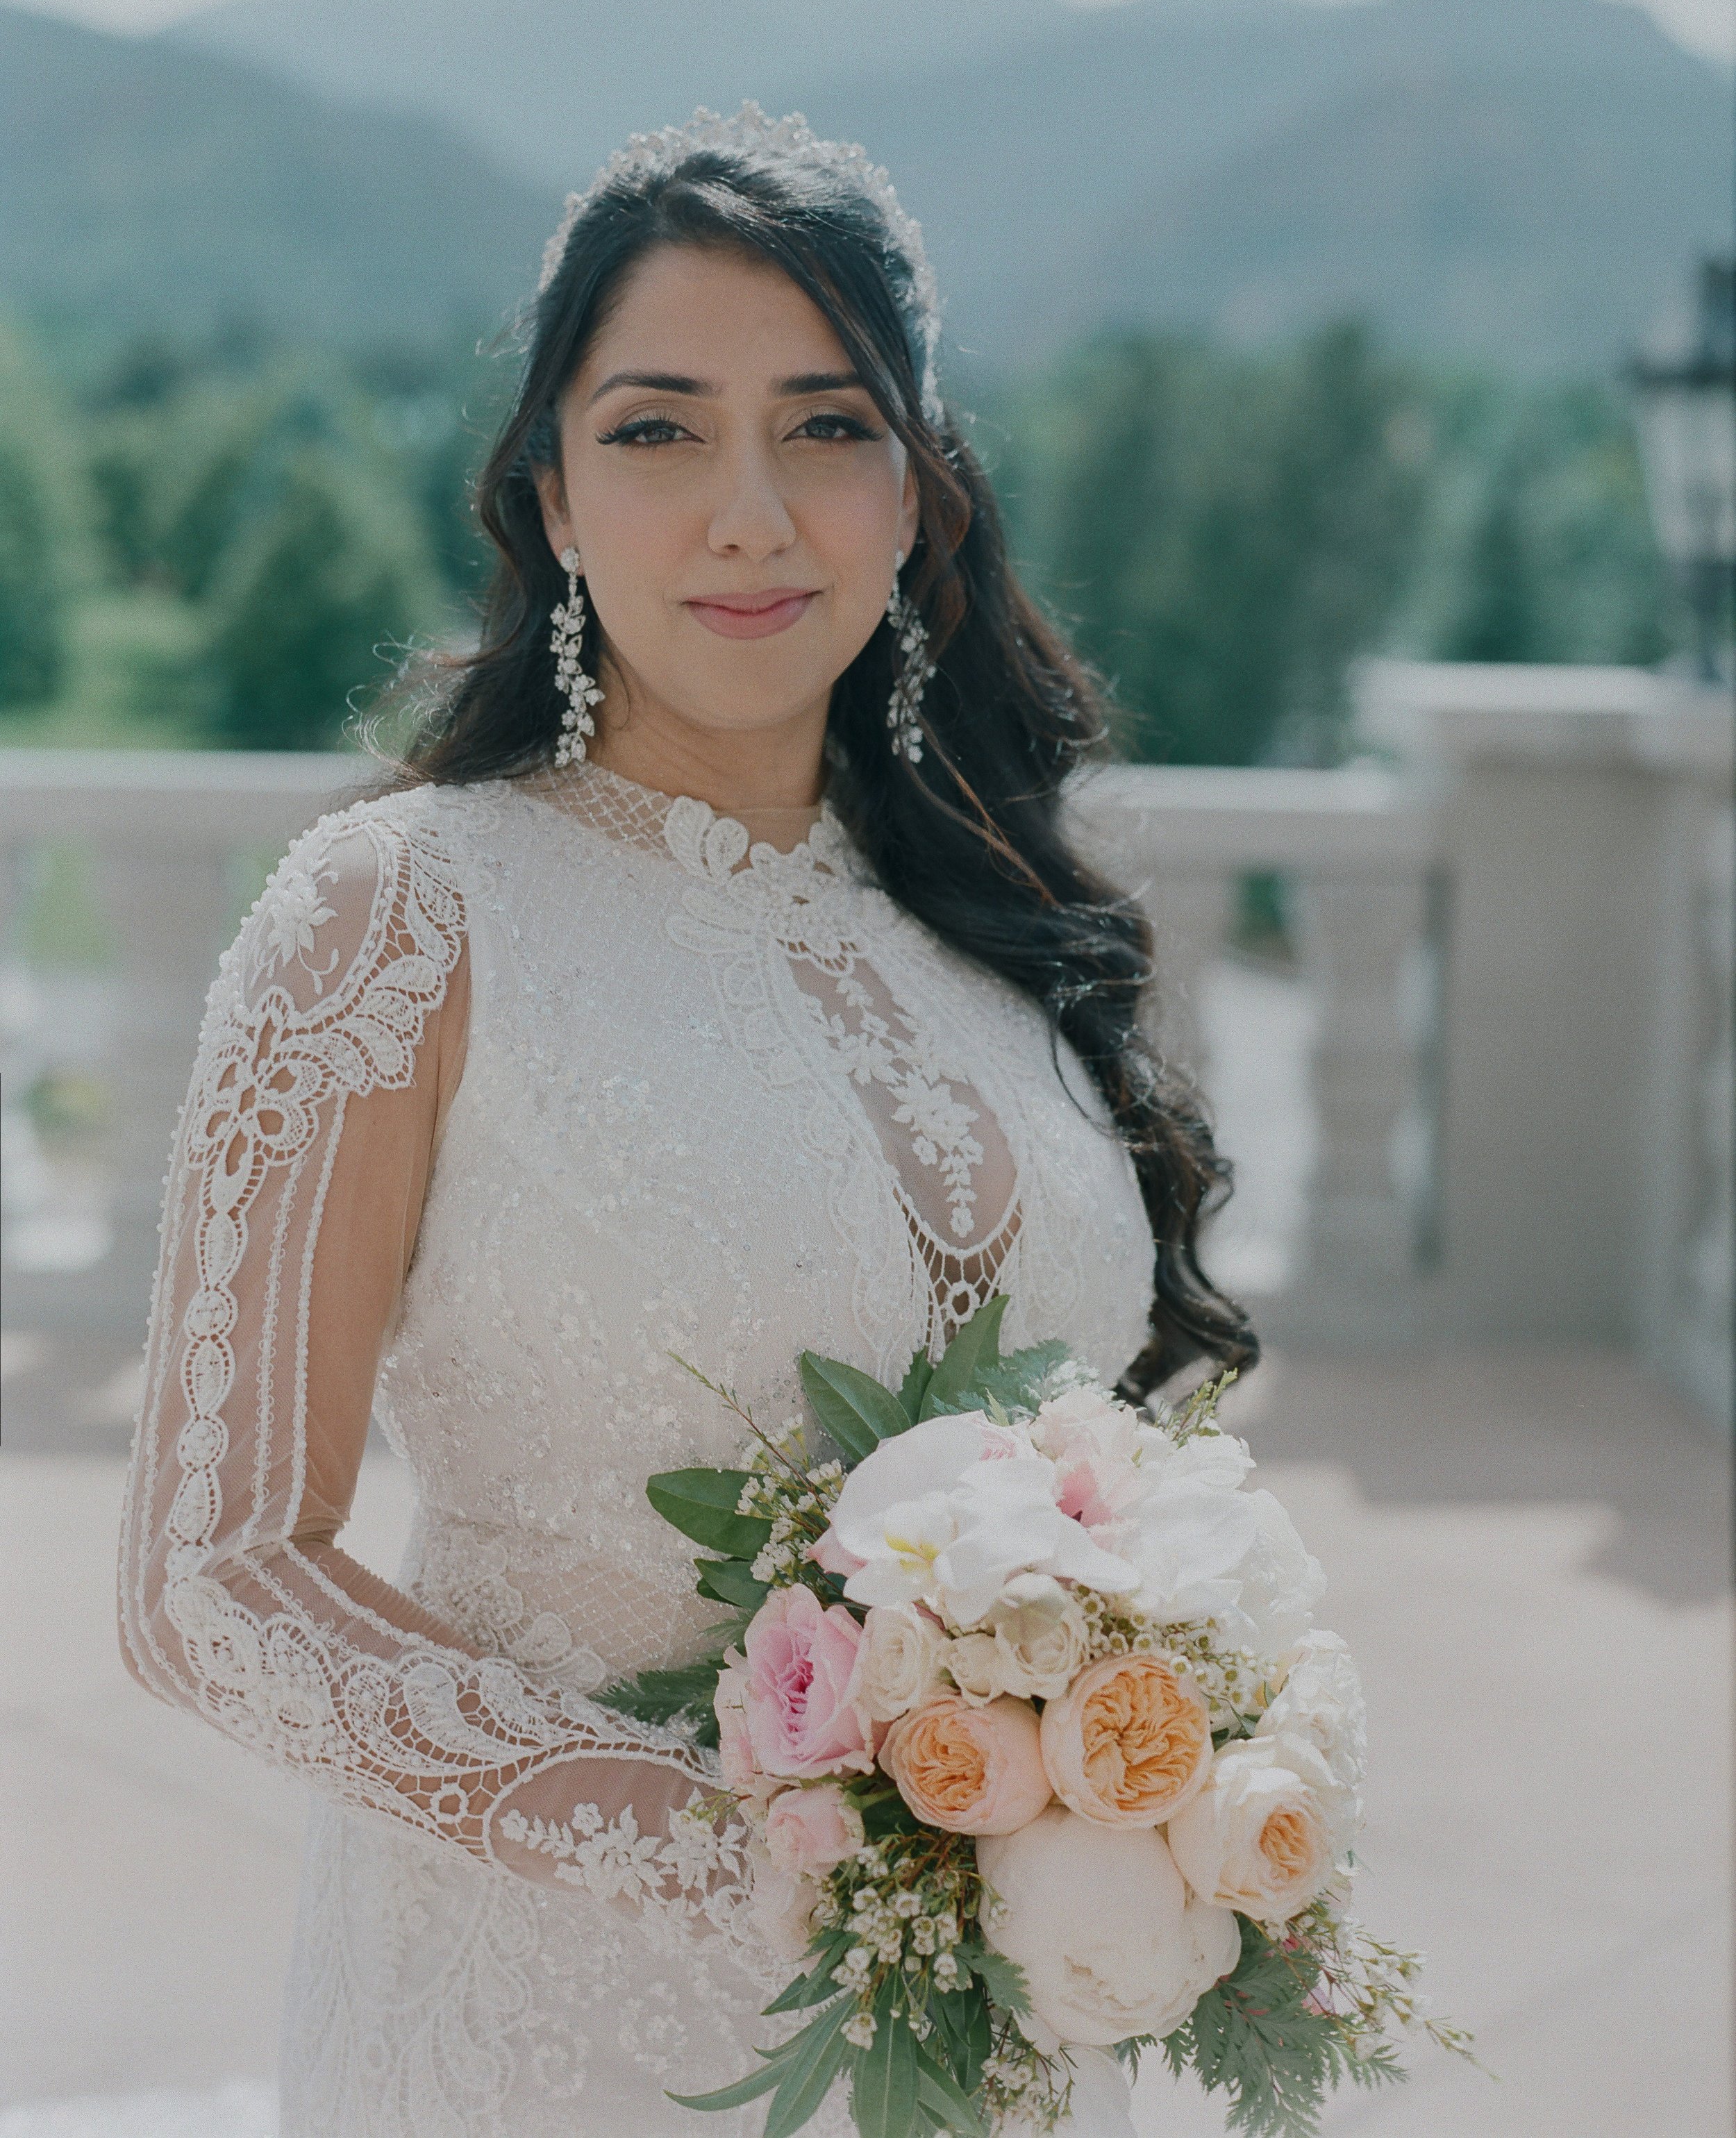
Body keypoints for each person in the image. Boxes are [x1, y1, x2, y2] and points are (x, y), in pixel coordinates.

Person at [117, 106, 1254, 2137]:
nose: (751, 510)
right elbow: (210, 1576)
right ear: (550, 492)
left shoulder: (995, 929)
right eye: (657, 430)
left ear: (917, 494)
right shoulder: (407, 914)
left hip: (998, 2041)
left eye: (826, 429)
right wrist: (748, 1845)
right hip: (555, 2028)